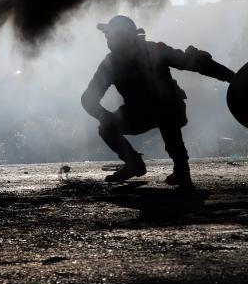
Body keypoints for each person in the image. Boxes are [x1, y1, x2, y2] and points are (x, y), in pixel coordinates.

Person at [81, 15, 234, 187]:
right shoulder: (110, 64)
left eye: (111, 36)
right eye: (107, 36)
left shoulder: (155, 51)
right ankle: (133, 163)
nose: (108, 40)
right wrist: (103, 115)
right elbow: (88, 98)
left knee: (166, 110)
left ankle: (181, 169)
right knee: (106, 128)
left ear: (123, 37)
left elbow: (193, 62)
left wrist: (232, 78)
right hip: (138, 113)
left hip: (167, 107)